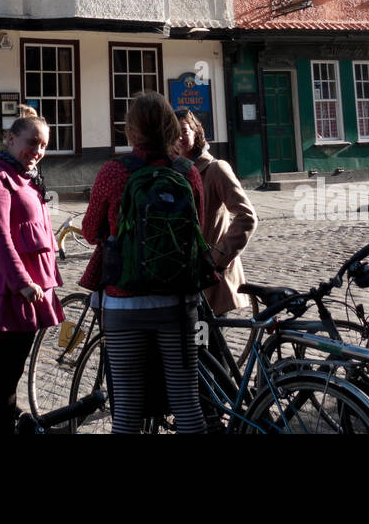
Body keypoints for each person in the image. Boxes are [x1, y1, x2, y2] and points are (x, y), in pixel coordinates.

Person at [80, 91, 206, 434]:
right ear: (170, 126)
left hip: (124, 301)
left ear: (130, 128)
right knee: (187, 402)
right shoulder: (188, 171)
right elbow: (199, 231)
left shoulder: (112, 171)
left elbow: (91, 231)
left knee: (127, 409)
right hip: (179, 303)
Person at [0, 113, 64, 434]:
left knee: (12, 371)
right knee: (6, 375)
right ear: (11, 139)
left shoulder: (24, 175)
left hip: (28, 290)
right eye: (32, 142)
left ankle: (12, 422)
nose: (37, 151)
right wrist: (22, 281)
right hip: (7, 291)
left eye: (44, 145)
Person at [178, 110, 257, 316]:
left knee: (207, 342)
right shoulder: (173, 173)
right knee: (192, 345)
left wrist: (216, 257)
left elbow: (247, 217)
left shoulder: (216, 169)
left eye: (184, 131)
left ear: (195, 132)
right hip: (184, 280)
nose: (178, 137)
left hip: (212, 280)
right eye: (172, 133)